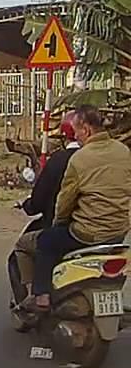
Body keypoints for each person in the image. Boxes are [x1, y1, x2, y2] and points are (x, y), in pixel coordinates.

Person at [27, 104, 131, 312]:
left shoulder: (79, 159)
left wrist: (59, 223)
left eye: (77, 131)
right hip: (119, 232)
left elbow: (65, 201)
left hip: (87, 234)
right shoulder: (123, 151)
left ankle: (42, 296)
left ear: (86, 129)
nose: (76, 136)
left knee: (46, 241)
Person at [13, 111, 82, 292]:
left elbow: (43, 201)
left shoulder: (61, 160)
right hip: (109, 231)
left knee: (26, 246)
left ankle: (34, 296)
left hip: (70, 229)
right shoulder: (104, 159)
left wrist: (29, 205)